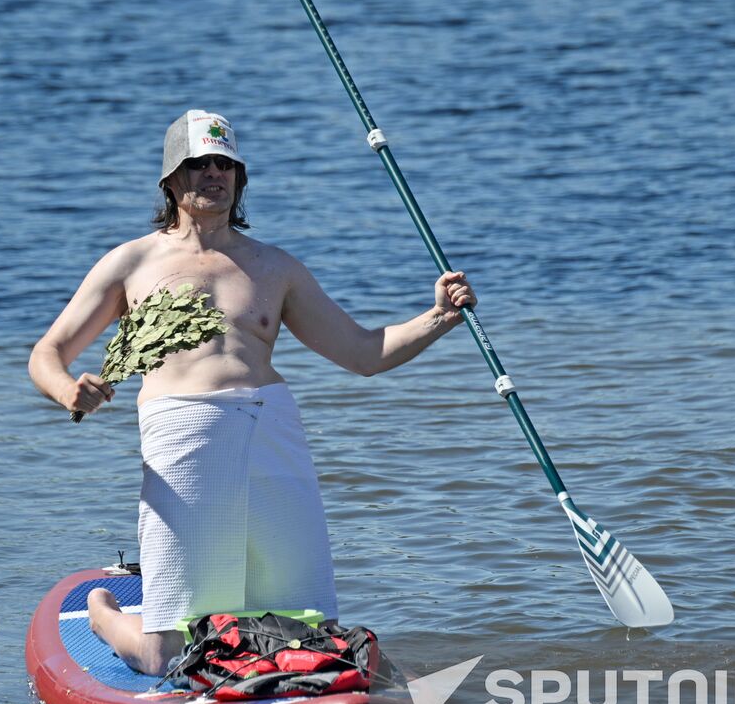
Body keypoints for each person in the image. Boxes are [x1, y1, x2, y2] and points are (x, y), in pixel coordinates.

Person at [29, 109, 476, 675]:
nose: (213, 174)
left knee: (307, 628)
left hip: (273, 429)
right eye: (198, 164)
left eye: (225, 164)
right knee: (170, 654)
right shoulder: (132, 262)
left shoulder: (274, 267)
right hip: (182, 430)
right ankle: (104, 613)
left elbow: (364, 353)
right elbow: (47, 354)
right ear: (171, 180)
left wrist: (437, 317)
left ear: (239, 178)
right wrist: (71, 391)